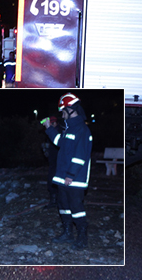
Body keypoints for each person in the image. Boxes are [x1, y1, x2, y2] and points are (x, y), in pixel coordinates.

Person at [42, 92, 93, 250]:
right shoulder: (69, 129)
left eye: (63, 112)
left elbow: (80, 156)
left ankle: (82, 238)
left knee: (76, 207)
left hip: (74, 179)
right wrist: (49, 128)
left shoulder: (82, 130)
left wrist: (71, 174)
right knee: (63, 205)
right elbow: (60, 143)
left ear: (71, 109)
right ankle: (67, 233)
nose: (62, 115)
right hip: (63, 177)